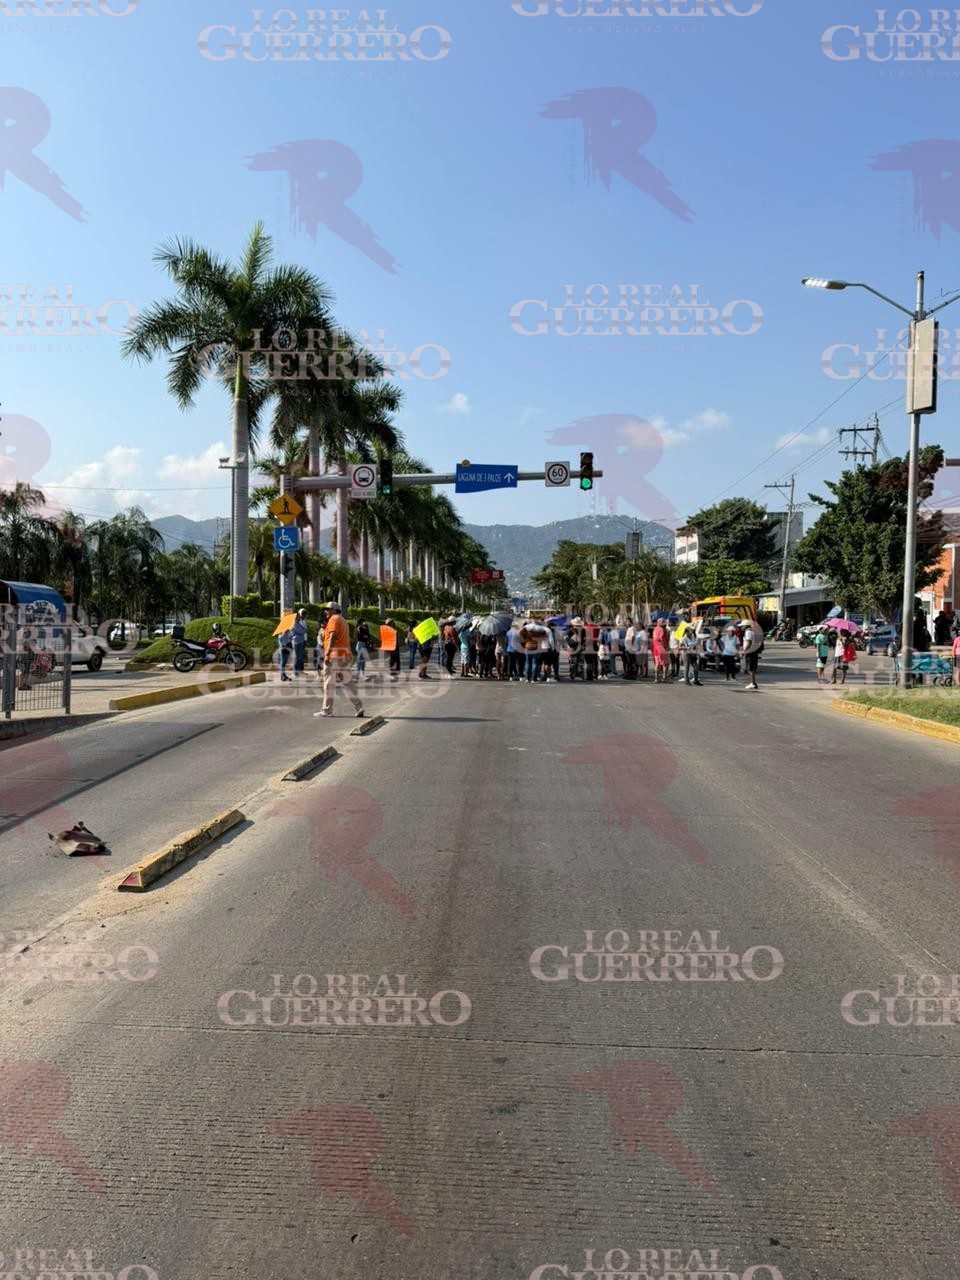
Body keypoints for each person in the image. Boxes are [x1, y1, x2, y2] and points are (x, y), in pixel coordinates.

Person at [315, 603, 363, 717]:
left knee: (328, 684)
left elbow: (332, 637)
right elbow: (346, 639)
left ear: (335, 610)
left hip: (334, 657)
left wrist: (327, 654)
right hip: (343, 656)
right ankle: (359, 707)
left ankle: (327, 710)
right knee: (348, 683)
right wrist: (350, 653)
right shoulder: (343, 620)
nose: (326, 611)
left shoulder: (333, 619)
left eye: (328, 609)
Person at [741, 619, 760, 691]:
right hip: (754, 651)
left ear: (745, 626)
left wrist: (744, 650)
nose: (741, 627)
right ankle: (753, 683)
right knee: (751, 668)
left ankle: (753, 683)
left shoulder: (748, 632)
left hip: (750, 651)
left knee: (750, 668)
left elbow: (749, 641)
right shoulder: (753, 631)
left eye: (742, 626)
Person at [651, 619, 669, 683]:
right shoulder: (662, 629)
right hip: (661, 648)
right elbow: (662, 639)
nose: (665, 624)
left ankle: (656, 679)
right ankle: (664, 678)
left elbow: (654, 638)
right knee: (666, 663)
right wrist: (666, 647)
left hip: (655, 648)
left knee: (657, 664)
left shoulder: (655, 629)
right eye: (664, 623)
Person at [292, 608, 308, 675]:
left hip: (301, 641)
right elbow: (302, 631)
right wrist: (304, 629)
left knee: (300, 657)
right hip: (297, 642)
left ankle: (299, 670)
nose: (300, 617)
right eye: (299, 616)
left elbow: (304, 630)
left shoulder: (298, 623)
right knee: (297, 657)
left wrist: (304, 630)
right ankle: (296, 671)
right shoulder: (295, 624)